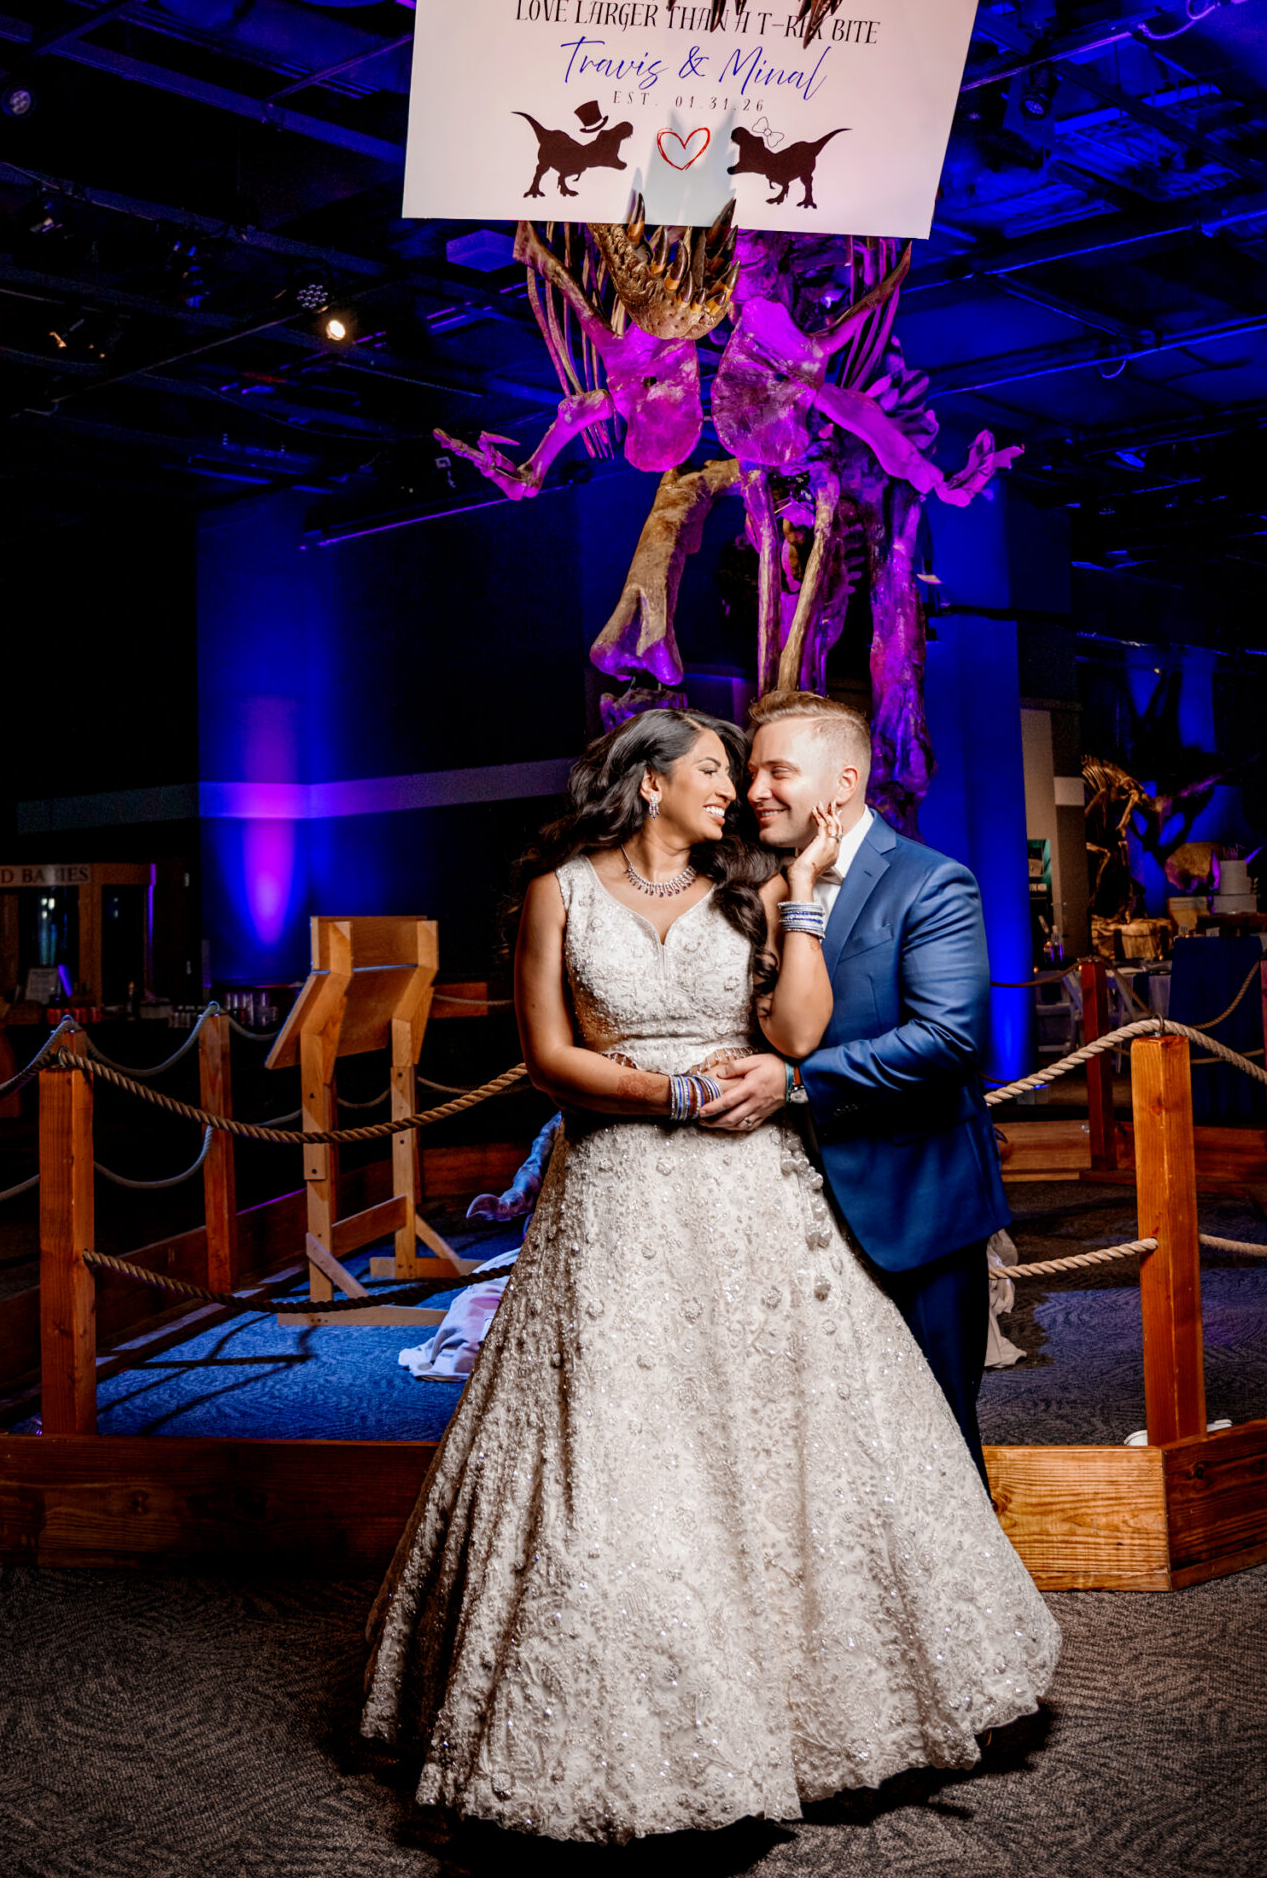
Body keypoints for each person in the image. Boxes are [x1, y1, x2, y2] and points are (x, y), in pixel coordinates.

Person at [362, 708, 1058, 1842]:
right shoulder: (560, 889)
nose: (736, 791)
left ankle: (811, 1705)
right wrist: (668, 1093)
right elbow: (546, 1056)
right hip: (617, 1195)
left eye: (749, 771)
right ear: (648, 785)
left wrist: (812, 912)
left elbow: (794, 1035)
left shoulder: (762, 886)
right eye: (715, 771)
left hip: (749, 1188)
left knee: (774, 1433)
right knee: (617, 1439)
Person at [705, 691, 1009, 1470]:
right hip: (780, 1214)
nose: (754, 791)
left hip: (913, 1204)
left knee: (935, 1440)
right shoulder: (753, 887)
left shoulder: (931, 883)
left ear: (842, 786)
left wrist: (796, 1083)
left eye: (777, 771)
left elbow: (949, 1039)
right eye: (750, 773)